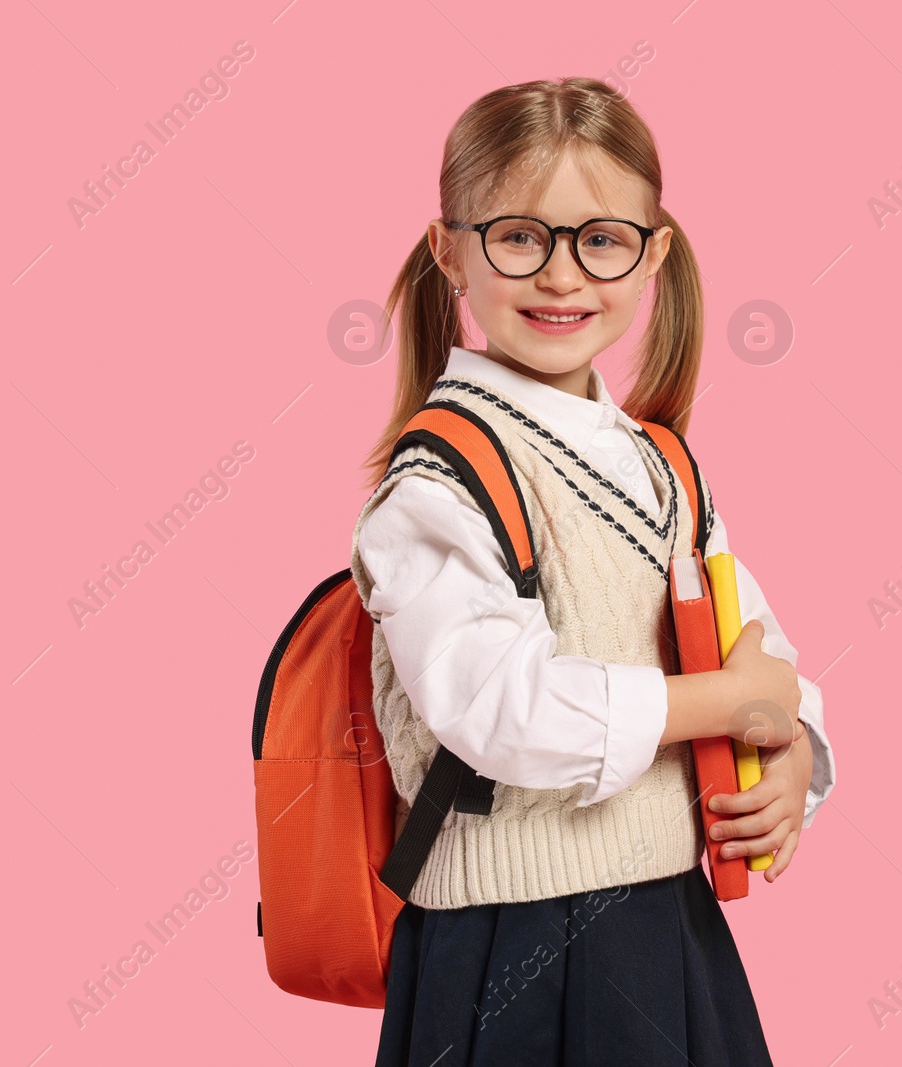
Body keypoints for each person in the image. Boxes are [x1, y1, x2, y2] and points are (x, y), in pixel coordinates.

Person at [349, 76, 837, 1067]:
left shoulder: (662, 464)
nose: (562, 276)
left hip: (666, 925)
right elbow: (501, 708)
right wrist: (734, 701)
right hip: (502, 950)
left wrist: (789, 744)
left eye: (601, 239)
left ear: (654, 251)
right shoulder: (438, 481)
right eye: (520, 236)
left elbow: (757, 653)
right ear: (450, 250)